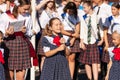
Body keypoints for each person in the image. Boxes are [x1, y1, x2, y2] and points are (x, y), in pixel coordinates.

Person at [0, 0, 39, 79]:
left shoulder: (27, 16)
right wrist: (6, 33)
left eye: (28, 9)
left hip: (22, 45)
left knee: (21, 77)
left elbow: (30, 32)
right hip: (9, 45)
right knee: (8, 76)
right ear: (18, 7)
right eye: (25, 9)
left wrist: (26, 32)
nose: (26, 11)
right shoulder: (5, 15)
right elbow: (1, 31)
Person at [79, 1, 102, 80]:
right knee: (86, 61)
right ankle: (89, 78)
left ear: (89, 7)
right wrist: (81, 42)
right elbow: (82, 30)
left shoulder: (97, 16)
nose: (83, 9)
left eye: (84, 7)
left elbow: (100, 29)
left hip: (93, 41)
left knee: (94, 62)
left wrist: (101, 39)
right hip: (85, 41)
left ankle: (95, 78)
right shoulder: (83, 17)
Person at [60, 2, 80, 79]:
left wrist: (74, 39)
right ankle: (64, 76)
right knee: (65, 57)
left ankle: (70, 77)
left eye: (72, 10)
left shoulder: (76, 17)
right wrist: (71, 35)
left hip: (74, 38)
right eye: (69, 10)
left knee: (72, 58)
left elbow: (77, 30)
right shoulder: (62, 16)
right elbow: (61, 29)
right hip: (65, 36)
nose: (70, 12)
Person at [103, 3, 120, 80]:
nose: (112, 11)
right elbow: (105, 31)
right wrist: (106, 44)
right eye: (111, 9)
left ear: (118, 9)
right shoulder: (109, 18)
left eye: (114, 9)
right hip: (111, 39)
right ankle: (109, 74)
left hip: (119, 39)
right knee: (111, 59)